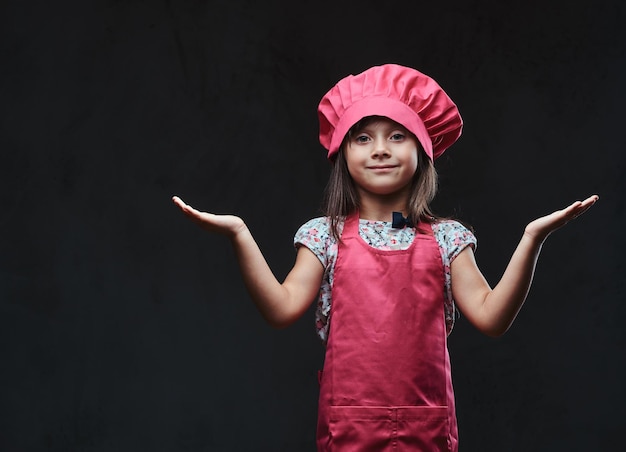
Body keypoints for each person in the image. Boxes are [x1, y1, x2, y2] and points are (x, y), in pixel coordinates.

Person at [172, 63, 598, 451]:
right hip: (348, 427)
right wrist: (239, 234)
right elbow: (281, 310)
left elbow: (491, 318)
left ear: (423, 151)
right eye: (363, 137)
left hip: (426, 427)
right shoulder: (325, 235)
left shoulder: (448, 239)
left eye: (397, 135)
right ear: (343, 154)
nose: (380, 149)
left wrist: (532, 238)